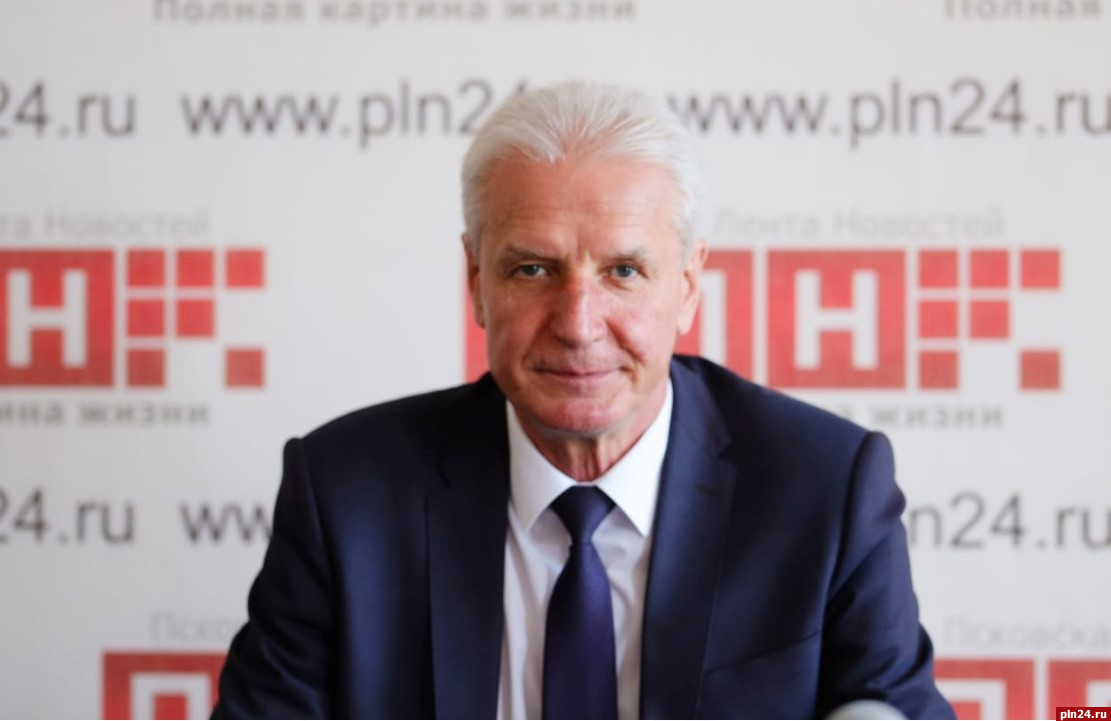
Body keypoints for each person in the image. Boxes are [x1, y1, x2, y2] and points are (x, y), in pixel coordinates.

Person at [213, 82, 954, 720]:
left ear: (687, 285)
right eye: (532, 269)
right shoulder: (346, 494)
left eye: (623, 271)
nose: (577, 323)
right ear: (475, 281)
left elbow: (886, 706)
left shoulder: (824, 487)